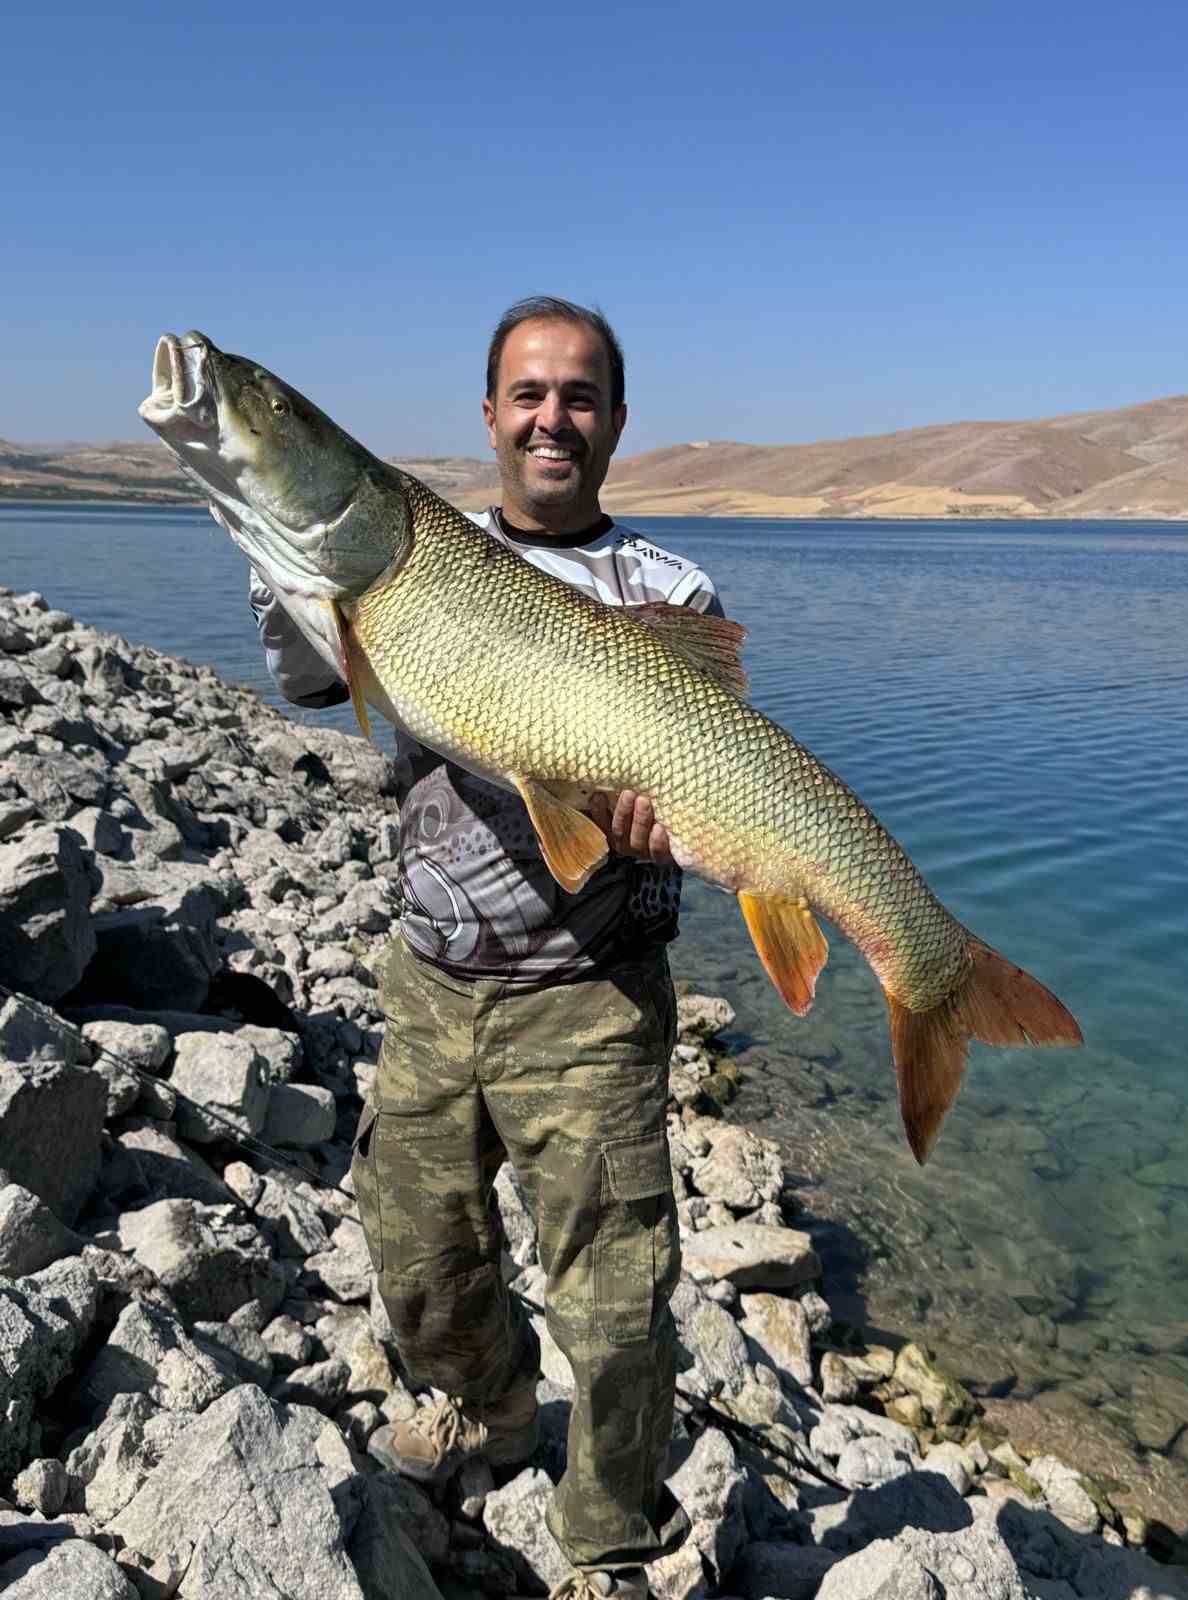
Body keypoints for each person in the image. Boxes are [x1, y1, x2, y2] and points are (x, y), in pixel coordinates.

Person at [250, 296, 725, 1600]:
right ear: (489, 416)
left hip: (592, 1001)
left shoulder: (668, 592)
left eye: (579, 396)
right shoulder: (409, 555)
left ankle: (608, 1542)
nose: (551, 419)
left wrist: (652, 824)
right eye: (528, 394)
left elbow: (697, 790)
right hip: (431, 979)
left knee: (619, 1309)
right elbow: (305, 680)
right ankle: (497, 1408)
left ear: (617, 422)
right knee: (419, 1262)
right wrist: (281, 555)